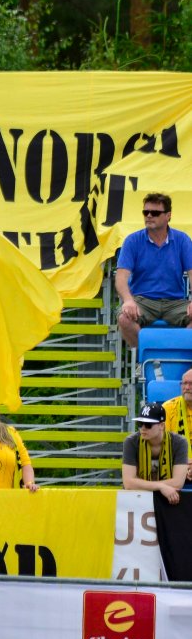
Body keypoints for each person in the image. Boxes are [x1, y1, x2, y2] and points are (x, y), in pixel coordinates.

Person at [115, 192, 192, 348]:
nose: (149, 216)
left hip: (175, 302)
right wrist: (129, 300)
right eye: (146, 212)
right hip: (143, 301)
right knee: (124, 319)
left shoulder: (182, 240)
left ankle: (181, 358)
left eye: (155, 213)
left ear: (168, 215)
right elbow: (121, 277)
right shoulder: (132, 241)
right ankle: (144, 357)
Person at [123, 402, 187, 507]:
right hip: (136, 498)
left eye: (148, 425)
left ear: (161, 425)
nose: (143, 428)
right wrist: (161, 487)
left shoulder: (179, 442)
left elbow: (178, 483)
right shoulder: (131, 442)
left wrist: (141, 484)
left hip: (169, 499)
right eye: (140, 424)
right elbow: (129, 483)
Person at [163, 368, 192, 483]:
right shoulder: (168, 408)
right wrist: (185, 464)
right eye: (184, 383)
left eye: (191, 384)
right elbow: (164, 445)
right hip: (176, 465)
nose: (187, 387)